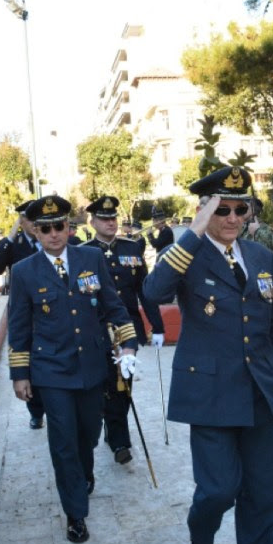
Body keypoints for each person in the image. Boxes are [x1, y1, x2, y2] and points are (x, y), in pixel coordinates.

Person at [143, 165, 273, 544]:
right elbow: (154, 291)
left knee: (262, 493)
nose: (232, 218)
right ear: (205, 209)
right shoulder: (188, 254)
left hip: (258, 392)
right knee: (218, 490)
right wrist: (190, 233)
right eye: (222, 209)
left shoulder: (262, 256)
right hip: (209, 394)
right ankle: (201, 542)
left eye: (240, 209)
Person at [8, 195, 138, 544]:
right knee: (63, 440)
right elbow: (18, 327)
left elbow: (114, 306)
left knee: (88, 433)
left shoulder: (91, 258)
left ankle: (85, 470)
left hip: (92, 365)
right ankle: (76, 513)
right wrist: (20, 374)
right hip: (51, 370)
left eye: (60, 226)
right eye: (45, 228)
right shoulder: (23, 272)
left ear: (70, 227)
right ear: (35, 231)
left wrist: (127, 345)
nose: (54, 234)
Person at [84, 195, 166, 465]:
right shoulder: (83, 252)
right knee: (108, 384)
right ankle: (116, 435)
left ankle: (117, 436)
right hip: (98, 331)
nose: (110, 223)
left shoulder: (132, 248)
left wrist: (157, 325)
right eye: (104, 219)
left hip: (128, 328)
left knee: (123, 383)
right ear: (93, 221)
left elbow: (146, 290)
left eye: (113, 218)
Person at [0, 200, 46, 428]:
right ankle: (36, 410)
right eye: (29, 219)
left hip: (52, 310)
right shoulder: (14, 244)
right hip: (25, 314)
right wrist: (9, 238)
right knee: (28, 361)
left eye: (37, 219)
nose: (35, 224)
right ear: (21, 221)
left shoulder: (52, 239)